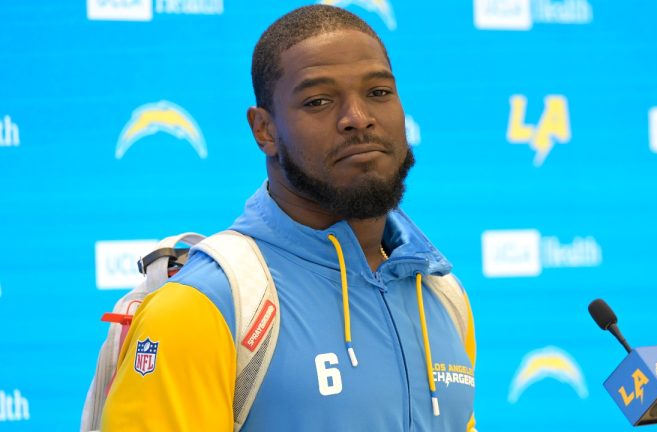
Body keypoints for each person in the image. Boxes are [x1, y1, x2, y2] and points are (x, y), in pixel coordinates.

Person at [100, 5, 476, 431]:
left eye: (378, 92)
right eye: (318, 101)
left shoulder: (441, 295)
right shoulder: (203, 306)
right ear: (264, 130)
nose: (358, 118)